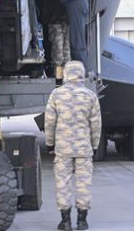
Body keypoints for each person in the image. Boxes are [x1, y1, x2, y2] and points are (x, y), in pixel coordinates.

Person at [44, 61, 102, 231]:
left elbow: (49, 122)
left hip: (63, 148)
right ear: (82, 74)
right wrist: (95, 145)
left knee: (63, 182)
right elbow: (96, 124)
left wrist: (50, 143)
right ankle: (82, 221)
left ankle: (66, 221)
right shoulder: (90, 96)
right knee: (84, 183)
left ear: (67, 73)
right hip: (84, 148)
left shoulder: (57, 95)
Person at [40, 0, 71, 82]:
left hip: (63, 21)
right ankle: (59, 78)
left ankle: (64, 78)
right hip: (55, 22)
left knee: (66, 53)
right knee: (58, 54)